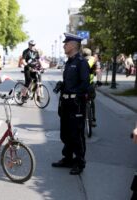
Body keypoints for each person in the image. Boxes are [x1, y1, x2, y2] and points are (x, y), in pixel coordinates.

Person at [52, 33, 90, 175]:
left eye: (66, 43)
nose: (64, 45)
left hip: (76, 103)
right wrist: (63, 86)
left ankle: (80, 162)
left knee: (76, 134)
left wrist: (74, 94)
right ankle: (67, 158)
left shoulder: (81, 62)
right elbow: (71, 82)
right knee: (65, 133)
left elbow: (85, 84)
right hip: (66, 102)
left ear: (74, 45)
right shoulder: (69, 62)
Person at [82, 48, 97, 126]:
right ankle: (93, 119)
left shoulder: (81, 61)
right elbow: (95, 72)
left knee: (80, 100)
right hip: (90, 84)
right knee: (92, 100)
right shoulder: (93, 61)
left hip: (82, 85)